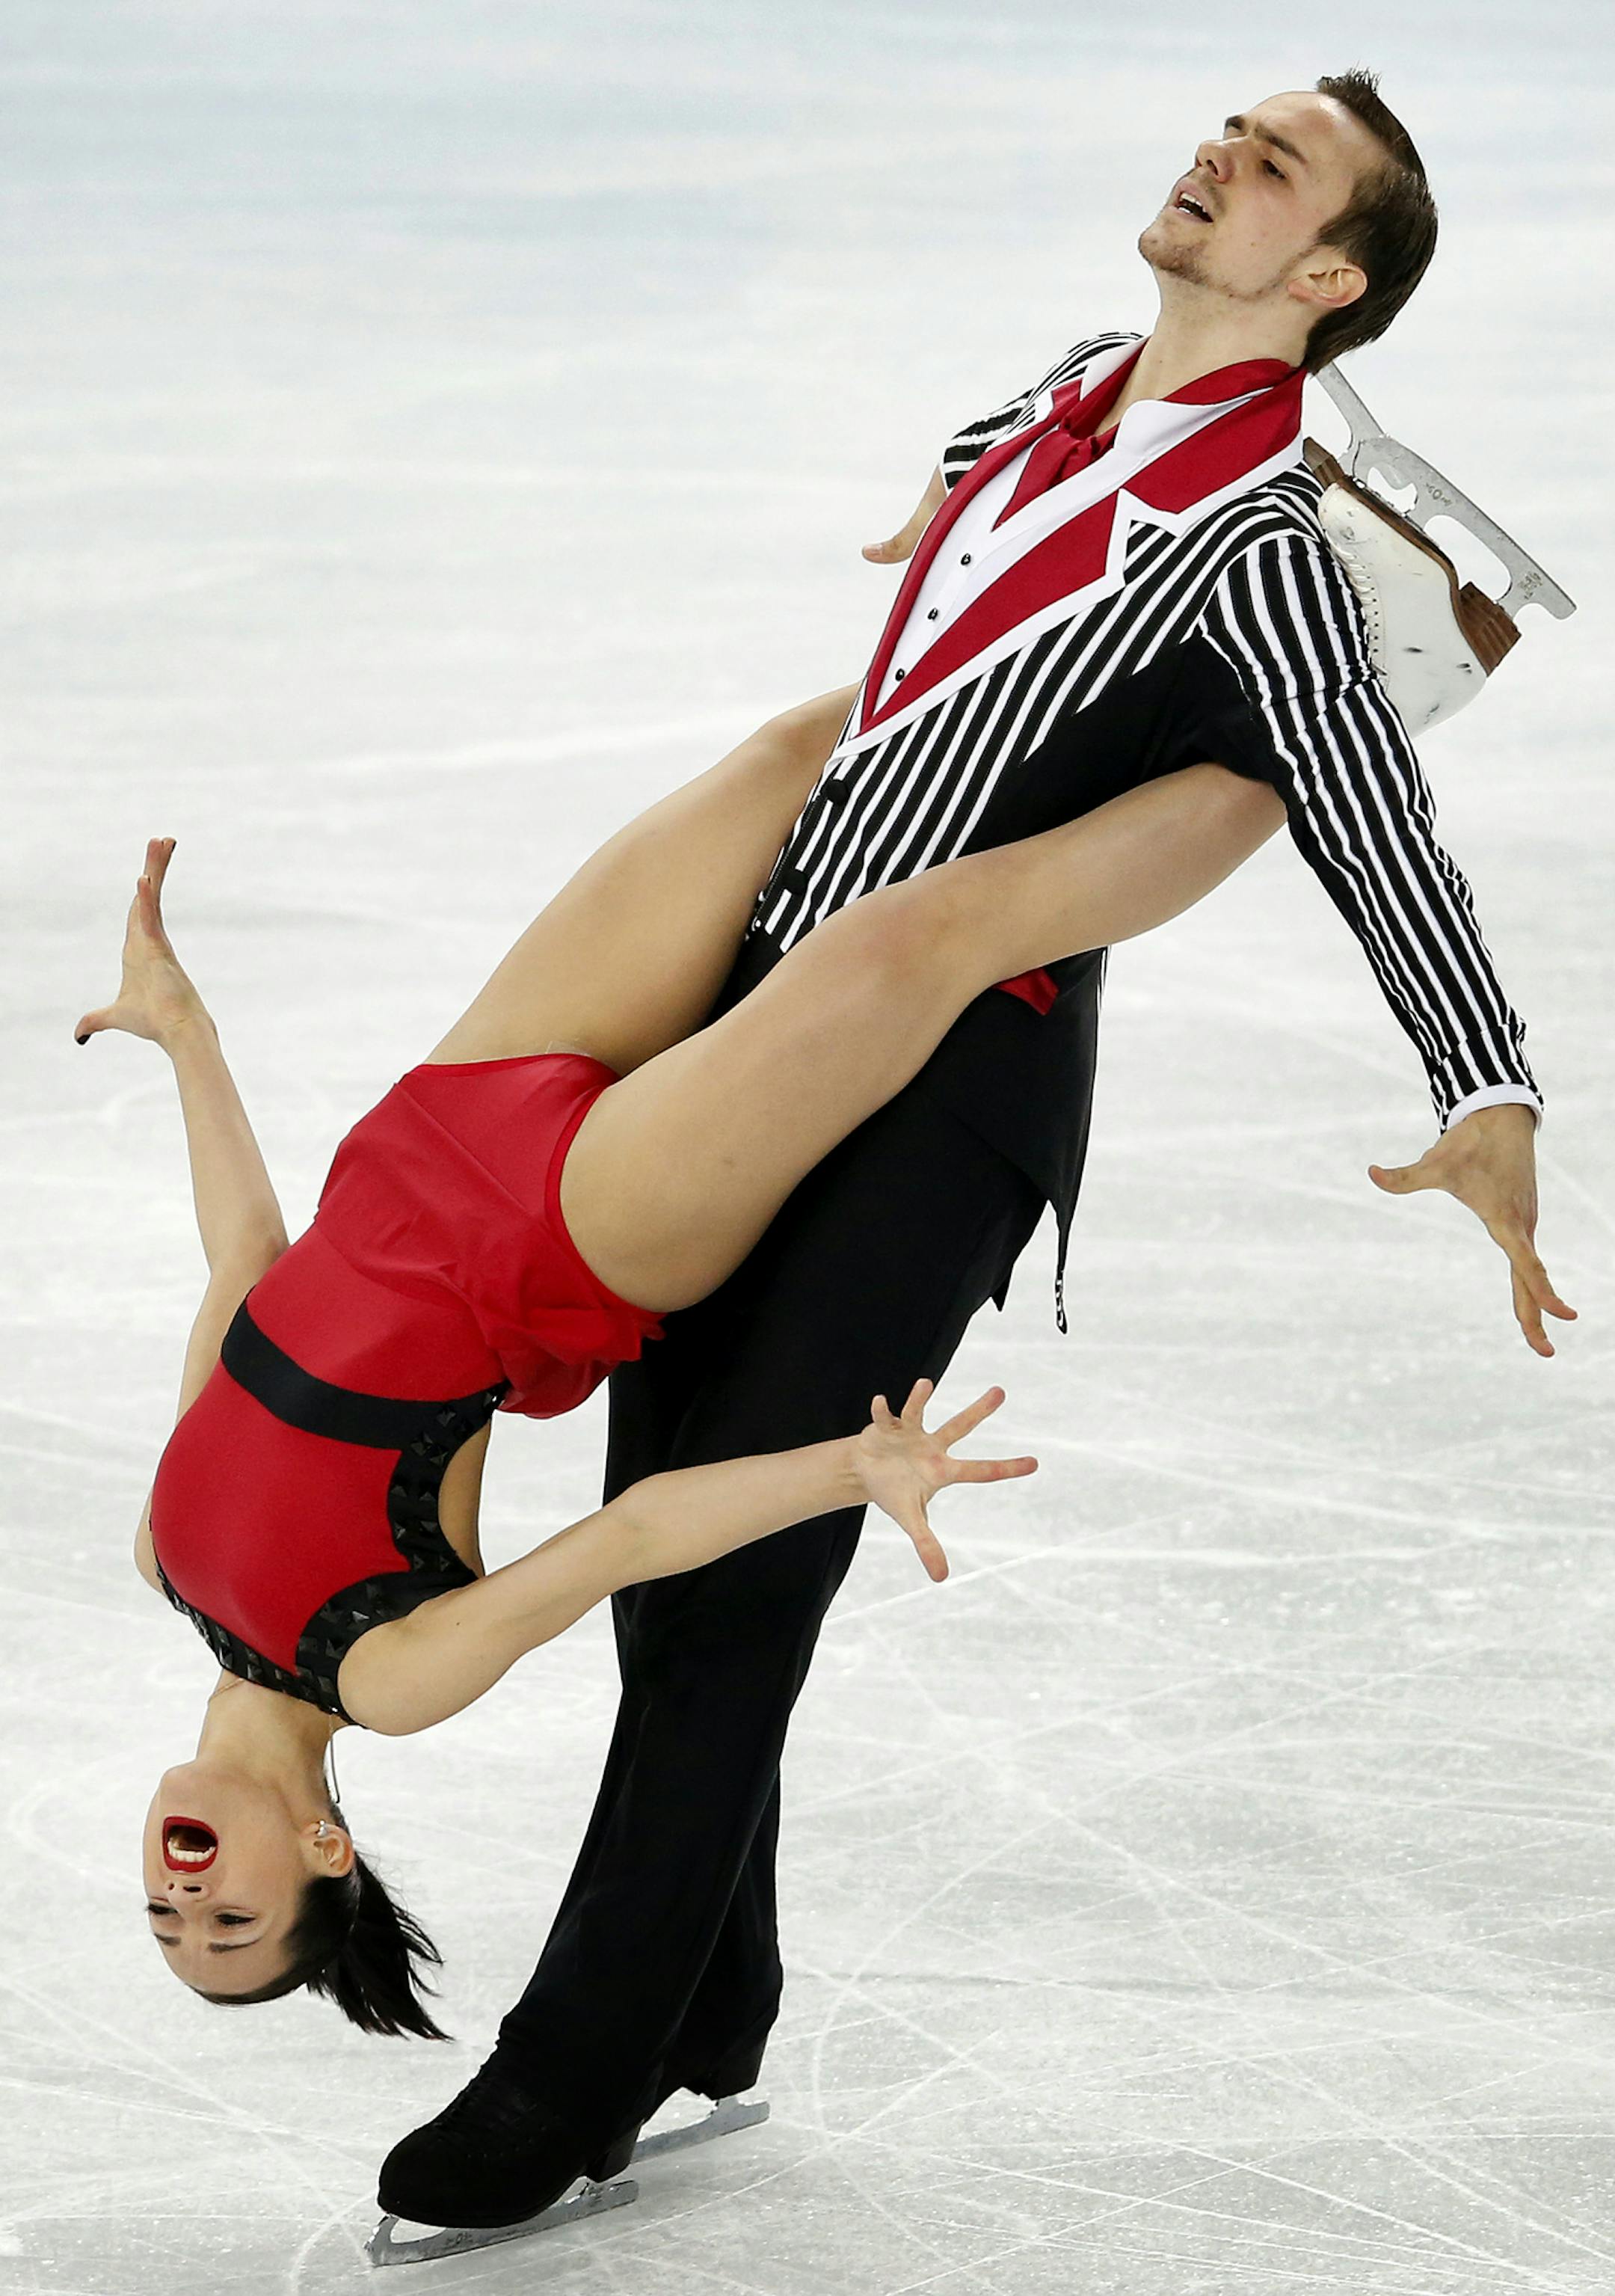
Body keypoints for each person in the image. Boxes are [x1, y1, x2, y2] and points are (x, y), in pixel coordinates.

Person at [375, 70, 1574, 2234]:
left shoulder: (1265, 550)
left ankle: (570, 2074)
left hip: (946, 1084)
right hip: (763, 1019)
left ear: (1324, 283)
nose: (1217, 152)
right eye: (1233, 124)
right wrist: (935, 526)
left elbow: (1377, 813)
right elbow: (975, 492)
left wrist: (1480, 1091)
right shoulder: (1064, 392)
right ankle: (714, 1992)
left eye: (1274, 165)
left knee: (740, 1566)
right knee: (667, 1499)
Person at [86, 692, 1285, 2031]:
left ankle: (1091, 626)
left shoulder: (159, 1551)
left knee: (792, 758)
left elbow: (245, 1256)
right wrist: (844, 1463)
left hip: (447, 1105)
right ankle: (1306, 746)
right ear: (325, 1850)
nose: (186, 1896)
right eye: (231, 1923)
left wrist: (186, 1033)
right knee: (912, 943)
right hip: (581, 1224)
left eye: (167, 1916)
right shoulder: (383, 1674)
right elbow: (631, 1535)